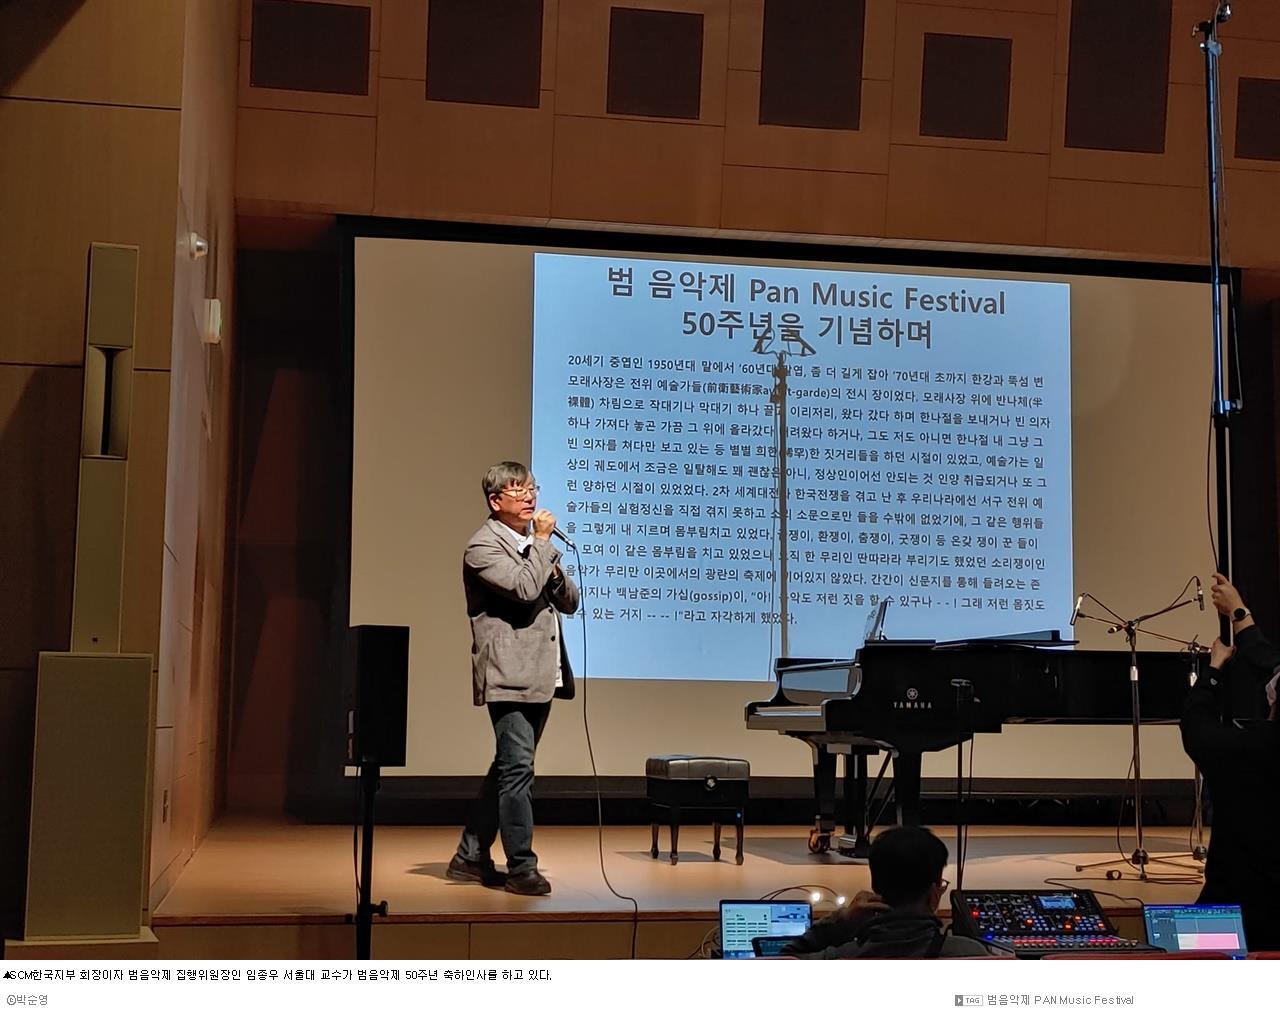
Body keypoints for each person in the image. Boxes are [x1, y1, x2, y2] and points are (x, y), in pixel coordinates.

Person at [446, 462, 579, 896]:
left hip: (541, 671)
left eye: (531, 488)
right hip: (508, 673)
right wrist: (540, 544)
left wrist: (548, 560)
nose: (528, 497)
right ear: (495, 501)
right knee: (518, 768)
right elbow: (523, 590)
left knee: (510, 766)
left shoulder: (533, 545)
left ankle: (469, 856)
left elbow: (570, 601)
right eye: (517, 490)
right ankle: (521, 867)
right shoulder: (482, 547)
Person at [1180, 573, 1280, 950]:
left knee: (1195, 957)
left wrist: (1213, 671)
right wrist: (1238, 612)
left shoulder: (1242, 751)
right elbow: (1268, 662)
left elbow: (1195, 725)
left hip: (1232, 909)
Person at [780, 826, 991, 958]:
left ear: (874, 887)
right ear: (934, 893)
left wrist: (843, 922)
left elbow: (783, 959)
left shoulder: (839, 958)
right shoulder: (970, 955)